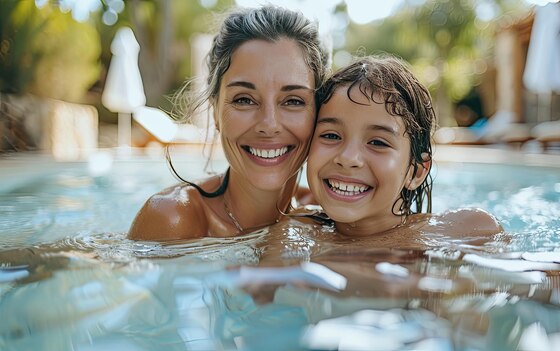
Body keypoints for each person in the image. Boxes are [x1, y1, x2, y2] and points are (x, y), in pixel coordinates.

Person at [128, 6, 329, 240]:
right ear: (215, 111)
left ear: (319, 113)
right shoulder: (173, 219)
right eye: (244, 99)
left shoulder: (333, 215)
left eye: (293, 101)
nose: (269, 124)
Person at [305, 55, 502, 238]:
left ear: (416, 172)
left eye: (377, 142)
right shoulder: (295, 229)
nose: (348, 158)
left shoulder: (467, 231)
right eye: (331, 135)